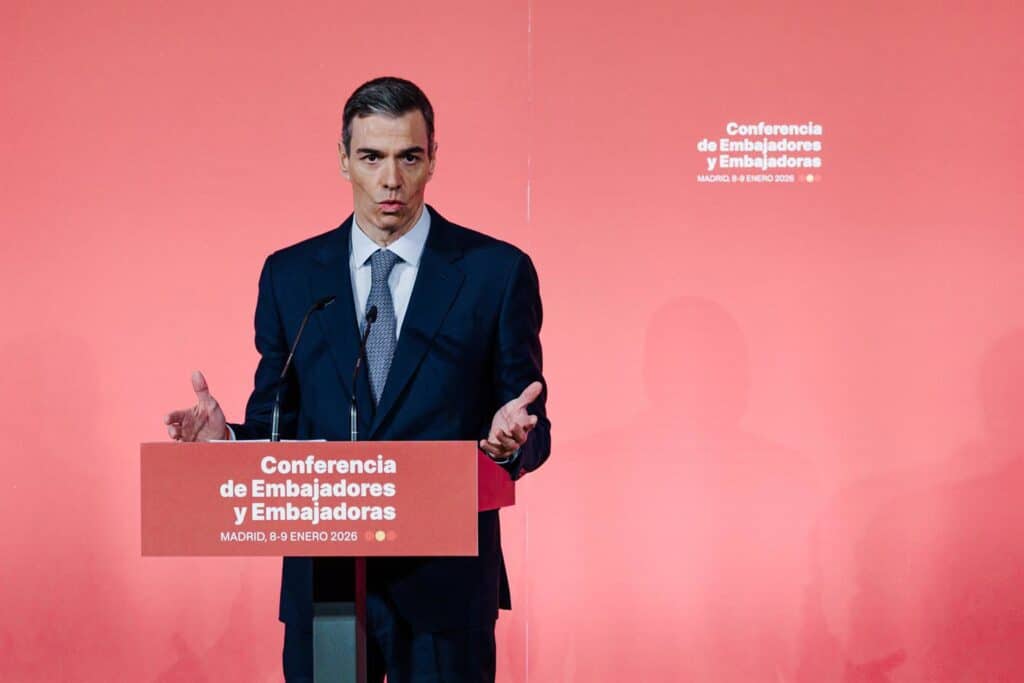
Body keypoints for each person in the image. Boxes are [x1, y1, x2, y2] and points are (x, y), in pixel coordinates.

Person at [163, 76, 551, 683]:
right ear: (343, 160)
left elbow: (531, 425)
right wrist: (228, 442)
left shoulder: (495, 274)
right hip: (327, 585)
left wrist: (505, 444)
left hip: (445, 591)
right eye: (372, 157)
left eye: (408, 157)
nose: (391, 179)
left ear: (432, 160)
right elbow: (279, 424)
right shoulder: (291, 276)